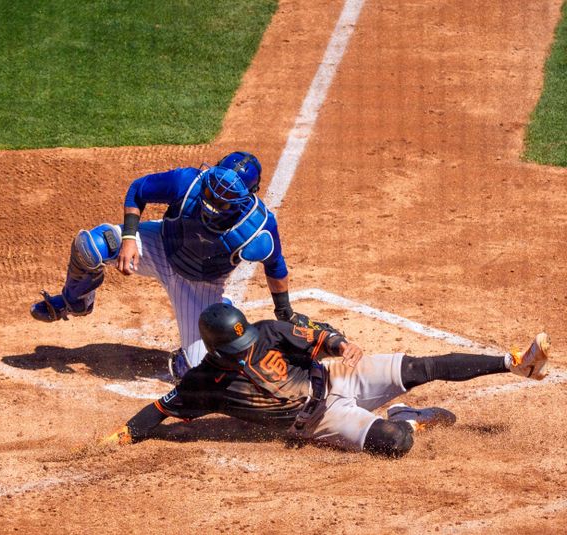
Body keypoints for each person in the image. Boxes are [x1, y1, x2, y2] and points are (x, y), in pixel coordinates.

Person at [100, 303, 551, 457]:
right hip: (320, 422)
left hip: (334, 376)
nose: (245, 351)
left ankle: (514, 361)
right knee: (393, 442)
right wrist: (123, 434)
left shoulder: (265, 331)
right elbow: (159, 409)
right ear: (214, 351)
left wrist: (338, 346)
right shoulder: (202, 383)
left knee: (419, 367)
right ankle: (411, 418)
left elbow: (316, 335)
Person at [31, 152, 298, 381]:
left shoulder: (258, 229)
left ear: (247, 197)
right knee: (91, 247)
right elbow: (138, 189)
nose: (213, 203)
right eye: (211, 191)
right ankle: (74, 301)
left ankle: (209, 323)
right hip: (159, 246)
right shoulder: (187, 182)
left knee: (200, 375)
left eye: (225, 199)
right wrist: (128, 239)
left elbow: (275, 267)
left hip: (200, 283)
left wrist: (284, 311)